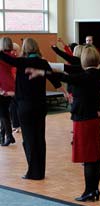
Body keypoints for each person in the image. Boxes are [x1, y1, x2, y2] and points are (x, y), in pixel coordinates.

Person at [26, 45, 100, 201]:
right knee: (95, 156)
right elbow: (67, 69)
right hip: (92, 119)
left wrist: (42, 72)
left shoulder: (85, 76)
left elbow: (65, 76)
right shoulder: (98, 74)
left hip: (84, 120)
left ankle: (89, 191)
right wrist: (47, 68)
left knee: (89, 158)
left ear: (83, 61)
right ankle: (94, 190)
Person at [0, 38, 66, 180]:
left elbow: (4, 57)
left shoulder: (22, 62)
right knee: (39, 138)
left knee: (29, 140)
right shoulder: (43, 63)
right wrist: (66, 93)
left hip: (25, 107)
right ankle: (40, 171)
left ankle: (33, 172)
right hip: (40, 106)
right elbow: (56, 82)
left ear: (25, 48)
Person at [0, 37, 16, 146]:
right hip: (11, 85)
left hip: (2, 86)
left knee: (3, 112)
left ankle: (9, 136)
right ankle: (3, 136)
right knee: (3, 111)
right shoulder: (12, 56)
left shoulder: (1, 56)